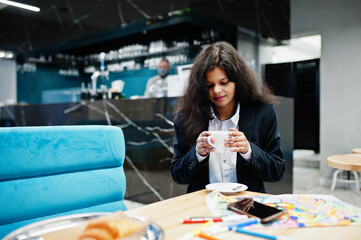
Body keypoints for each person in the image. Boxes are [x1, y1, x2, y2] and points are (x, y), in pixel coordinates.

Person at [170, 41, 285, 193]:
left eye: (224, 82)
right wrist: (197, 153)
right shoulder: (186, 117)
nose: (217, 90)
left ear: (238, 80)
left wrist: (249, 151)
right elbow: (178, 176)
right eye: (209, 85)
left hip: (247, 204)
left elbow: (276, 171)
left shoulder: (262, 112)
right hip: (203, 203)